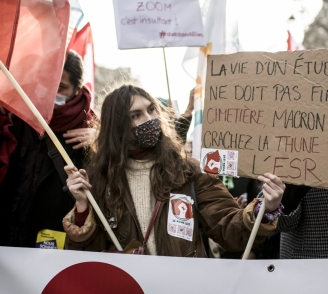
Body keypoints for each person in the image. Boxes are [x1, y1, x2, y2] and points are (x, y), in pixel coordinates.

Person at [63, 84, 285, 256]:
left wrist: (265, 209)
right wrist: (82, 206)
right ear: (117, 125)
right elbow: (84, 258)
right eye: (136, 115)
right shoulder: (100, 180)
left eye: (151, 110)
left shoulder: (188, 172)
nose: (150, 119)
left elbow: (229, 230)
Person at [0, 50, 96, 248]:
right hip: (10, 231)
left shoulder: (89, 127)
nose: (52, 92)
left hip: (55, 238)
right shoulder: (20, 114)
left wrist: (101, 140)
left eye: (61, 87)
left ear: (77, 90)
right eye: (48, 82)